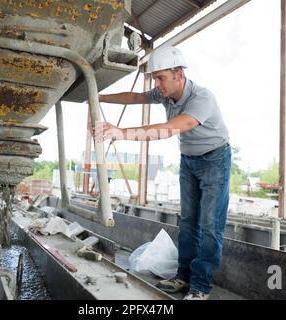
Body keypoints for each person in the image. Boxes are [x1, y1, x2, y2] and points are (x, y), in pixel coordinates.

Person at [96, 46, 231, 300]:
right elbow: (135, 98)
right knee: (189, 222)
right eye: (155, 78)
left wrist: (121, 132)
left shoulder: (202, 99)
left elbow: (168, 129)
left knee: (210, 225)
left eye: (161, 78)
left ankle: (200, 287)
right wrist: (97, 96)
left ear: (178, 74)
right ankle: (183, 276)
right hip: (189, 160)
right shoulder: (165, 94)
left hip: (215, 160)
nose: (156, 84)